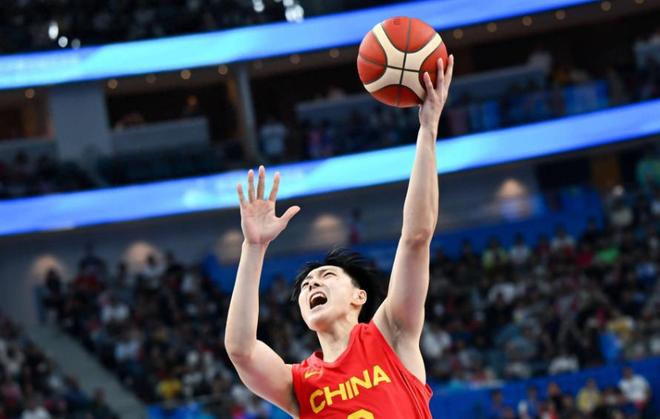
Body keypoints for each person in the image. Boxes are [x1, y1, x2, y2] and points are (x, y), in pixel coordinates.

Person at [225, 56, 454, 418]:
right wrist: (253, 247)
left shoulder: (391, 334)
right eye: (306, 286)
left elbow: (416, 236)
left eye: (327, 275)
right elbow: (241, 350)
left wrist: (428, 130)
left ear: (358, 297)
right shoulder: (299, 384)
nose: (312, 284)